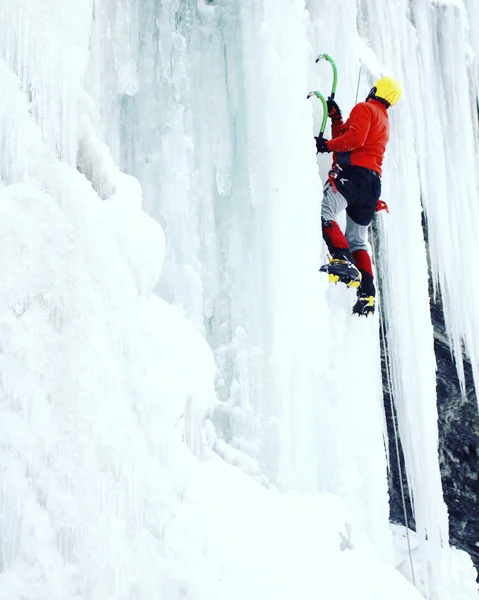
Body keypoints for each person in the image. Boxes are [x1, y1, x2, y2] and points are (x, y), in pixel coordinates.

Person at [315, 76, 402, 316]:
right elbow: (350, 138)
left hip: (354, 176)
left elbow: (353, 141)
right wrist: (336, 119)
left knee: (325, 212)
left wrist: (326, 145)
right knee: (357, 239)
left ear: (375, 90)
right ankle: (367, 292)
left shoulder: (365, 108)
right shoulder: (383, 120)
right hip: (372, 186)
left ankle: (341, 261)